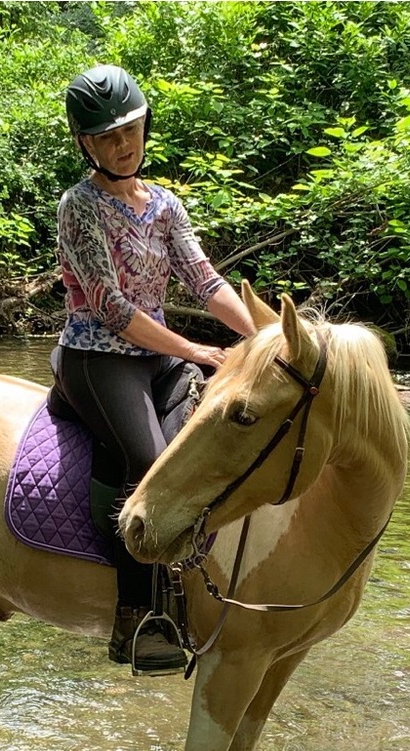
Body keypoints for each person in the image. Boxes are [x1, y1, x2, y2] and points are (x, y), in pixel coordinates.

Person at [52, 63, 258, 676]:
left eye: (132, 129)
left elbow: (205, 279)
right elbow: (112, 308)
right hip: (96, 358)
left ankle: (199, 589)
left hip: (155, 358)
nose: (125, 144)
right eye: (108, 136)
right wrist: (194, 350)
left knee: (204, 446)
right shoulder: (79, 207)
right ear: (85, 143)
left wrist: (267, 336)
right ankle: (137, 617)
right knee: (154, 468)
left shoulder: (165, 205)